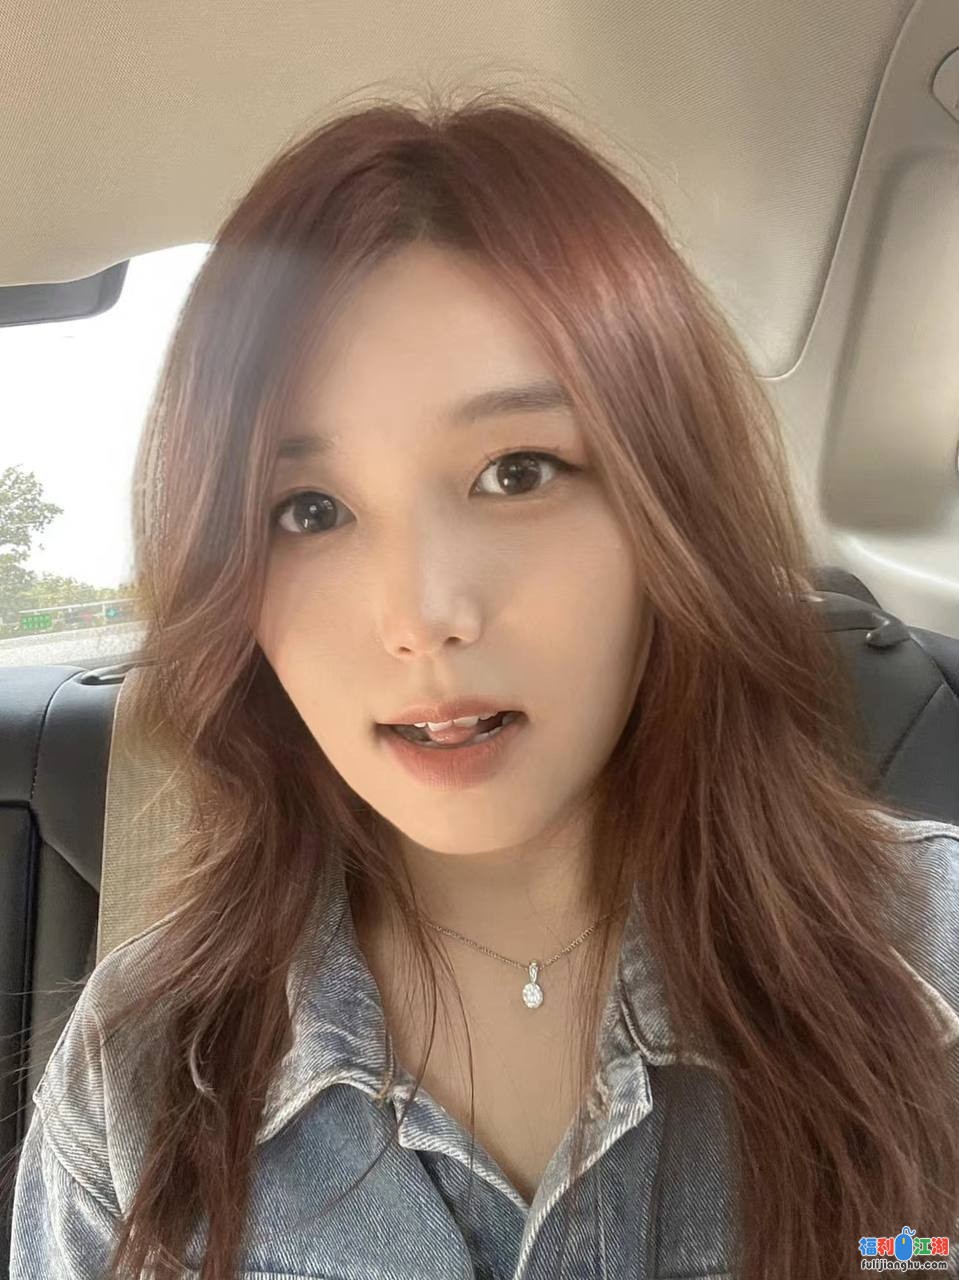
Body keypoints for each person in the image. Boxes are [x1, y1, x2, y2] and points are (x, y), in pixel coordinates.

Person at [7, 87, 959, 1280]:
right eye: (309, 510)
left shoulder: (929, 967)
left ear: (666, 506)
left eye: (516, 472)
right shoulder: (137, 1075)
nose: (423, 616)